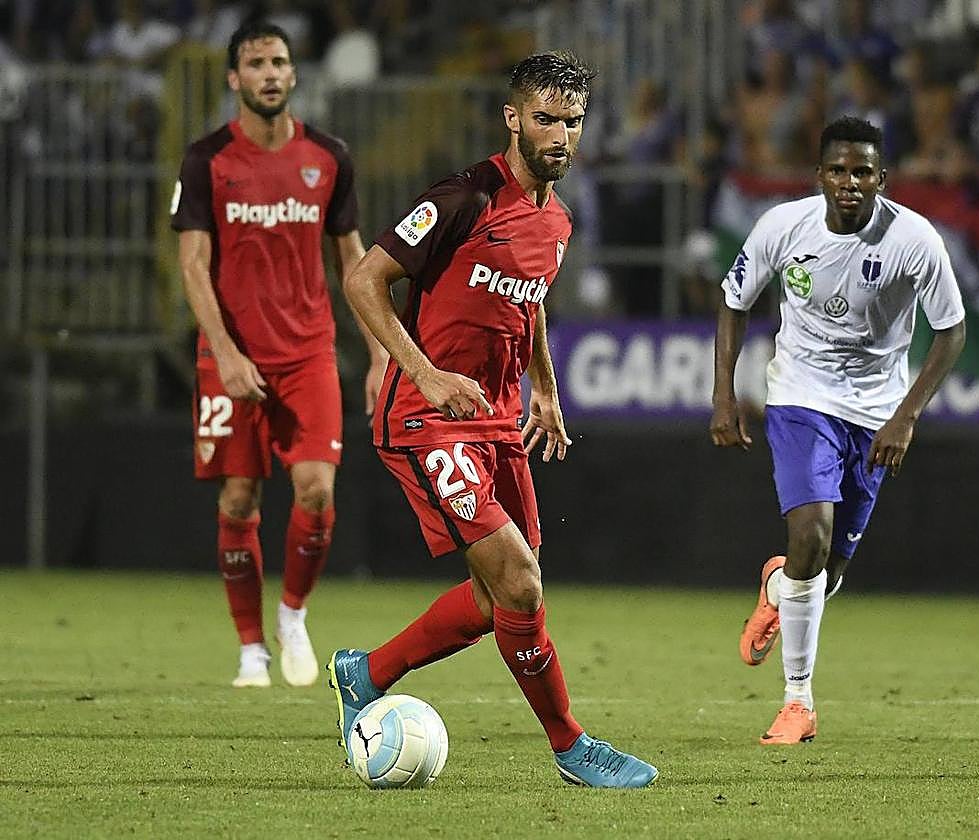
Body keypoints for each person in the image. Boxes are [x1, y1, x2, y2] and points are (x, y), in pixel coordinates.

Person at [327, 51, 657, 789]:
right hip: (426, 417)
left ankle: (367, 671)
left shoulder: (559, 221)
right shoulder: (463, 199)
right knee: (520, 582)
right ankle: (572, 745)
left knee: (494, 598)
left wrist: (544, 383)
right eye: (544, 119)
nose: (560, 135)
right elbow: (362, 278)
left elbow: (526, 298)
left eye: (571, 122)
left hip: (499, 419)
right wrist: (424, 372)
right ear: (512, 118)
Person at [710, 116, 966, 744]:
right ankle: (798, 702)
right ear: (819, 175)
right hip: (800, 396)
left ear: (882, 178)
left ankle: (779, 584)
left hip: (877, 411)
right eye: (838, 170)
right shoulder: (783, 227)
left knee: (827, 572)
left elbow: (952, 331)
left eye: (863, 172)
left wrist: (906, 415)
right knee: (813, 533)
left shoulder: (914, 240)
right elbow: (735, 302)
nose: (850, 183)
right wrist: (723, 392)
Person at [171, 21, 387, 689]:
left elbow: (354, 262)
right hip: (229, 359)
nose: (269, 72)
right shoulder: (206, 160)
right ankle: (250, 651)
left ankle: (292, 614)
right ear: (234, 78)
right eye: (255, 63)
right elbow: (193, 265)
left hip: (307, 354)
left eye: (279, 62)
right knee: (239, 500)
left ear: (294, 75)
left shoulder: (328, 157)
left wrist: (381, 352)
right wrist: (226, 353)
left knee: (316, 490)